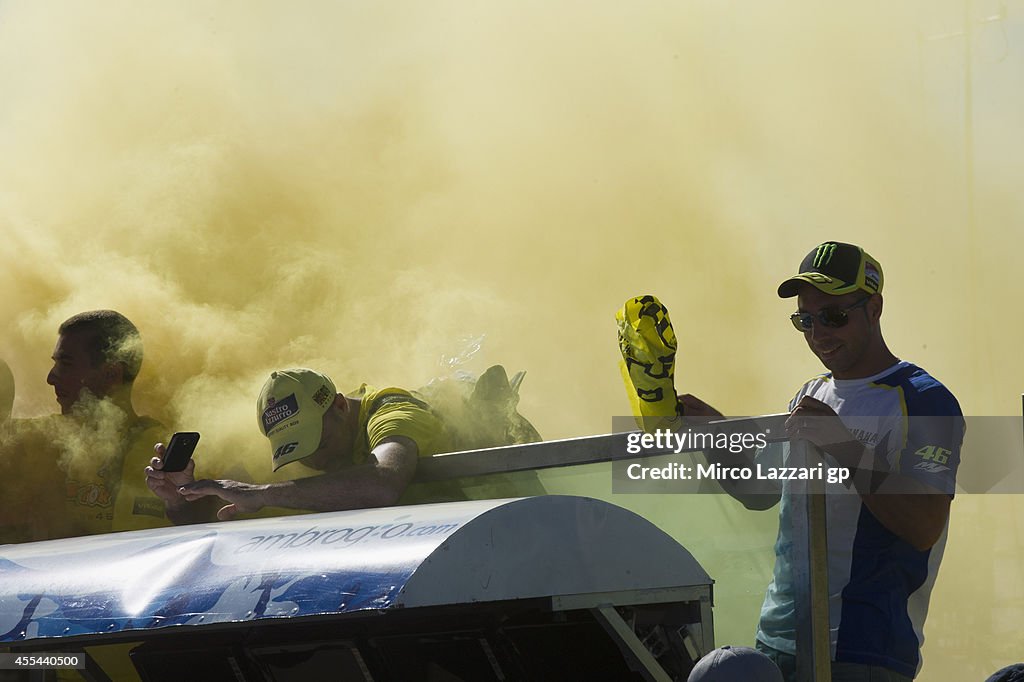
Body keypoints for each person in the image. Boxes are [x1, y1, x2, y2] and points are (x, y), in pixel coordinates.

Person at [679, 242, 964, 681]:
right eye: (805, 320)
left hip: (866, 648)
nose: (818, 334)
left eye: (833, 316)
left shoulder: (925, 399)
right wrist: (717, 439)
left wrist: (844, 445)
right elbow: (761, 493)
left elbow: (925, 525)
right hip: (778, 640)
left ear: (874, 308)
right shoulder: (809, 395)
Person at [147, 365, 542, 521]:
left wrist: (262, 492)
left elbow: (382, 481)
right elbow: (236, 507)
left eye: (315, 443)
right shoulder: (326, 424)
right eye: (296, 451)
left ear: (338, 406)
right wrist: (179, 498)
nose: (312, 461)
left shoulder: (394, 412)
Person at [1, 310, 171, 542]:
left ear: (111, 374)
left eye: (66, 364)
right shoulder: (41, 439)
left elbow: (137, 552)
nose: (51, 378)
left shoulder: (156, 452)